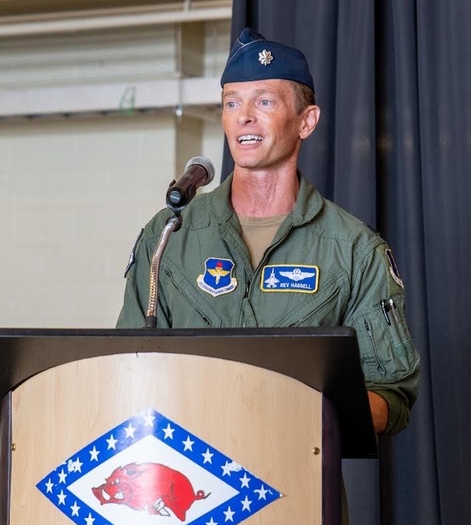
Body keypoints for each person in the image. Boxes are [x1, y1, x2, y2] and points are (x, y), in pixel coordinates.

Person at [117, 27, 419, 435]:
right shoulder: (171, 233)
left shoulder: (352, 249)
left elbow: (391, 395)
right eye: (231, 102)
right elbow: (126, 366)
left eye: (264, 101)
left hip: (297, 482)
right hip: (187, 480)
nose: (244, 115)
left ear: (306, 122)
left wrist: (298, 410)